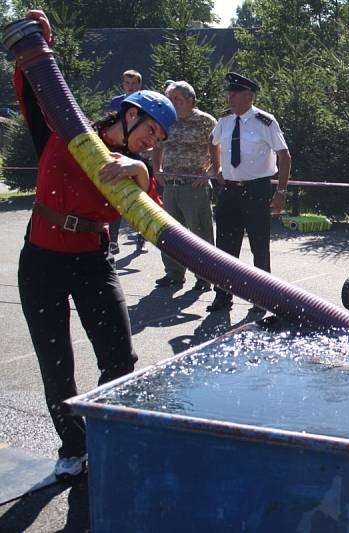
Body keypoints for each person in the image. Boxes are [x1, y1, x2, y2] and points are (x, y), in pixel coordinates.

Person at [15, 11, 176, 478]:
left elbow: (158, 219)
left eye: (158, 139)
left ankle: (111, 440)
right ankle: (73, 447)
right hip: (41, 262)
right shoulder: (67, 131)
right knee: (56, 362)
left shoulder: (132, 169)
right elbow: (34, 84)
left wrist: (143, 174)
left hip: (91, 262)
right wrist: (40, 38)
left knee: (119, 358)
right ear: (129, 114)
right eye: (150, 132)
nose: (150, 142)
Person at [207, 72, 292, 312]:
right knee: (225, 246)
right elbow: (211, 142)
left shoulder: (265, 121)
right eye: (229, 94)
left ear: (250, 96)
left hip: (257, 190)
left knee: (259, 245)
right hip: (230, 191)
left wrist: (281, 192)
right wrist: (217, 170)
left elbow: (284, 156)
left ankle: (262, 296)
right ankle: (223, 295)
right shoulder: (224, 121)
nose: (229, 98)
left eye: (234, 94)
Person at [152, 81, 218, 290]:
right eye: (171, 99)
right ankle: (173, 274)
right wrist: (157, 169)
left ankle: (205, 276)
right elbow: (157, 146)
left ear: (191, 100)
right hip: (171, 185)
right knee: (170, 233)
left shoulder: (205, 121)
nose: (173, 103)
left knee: (200, 233)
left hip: (194, 187)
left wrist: (210, 172)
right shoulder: (166, 120)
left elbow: (218, 150)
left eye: (177, 99)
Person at [105, 69, 146, 254]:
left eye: (134, 83)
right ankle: (112, 240)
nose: (131, 86)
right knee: (116, 196)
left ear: (139, 85)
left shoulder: (146, 102)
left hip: (138, 153)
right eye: (127, 83)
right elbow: (107, 125)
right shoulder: (116, 102)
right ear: (123, 84)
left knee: (140, 196)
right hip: (117, 151)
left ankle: (142, 235)